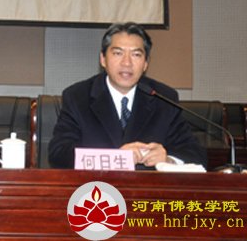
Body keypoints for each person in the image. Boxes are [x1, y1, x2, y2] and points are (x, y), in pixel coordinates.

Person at [48, 22, 207, 169]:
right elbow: (59, 154)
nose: (127, 63)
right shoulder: (77, 97)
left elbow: (196, 155)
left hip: (146, 189)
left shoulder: (163, 98)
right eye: (118, 53)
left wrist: (168, 160)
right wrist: (117, 158)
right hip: (97, 187)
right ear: (103, 59)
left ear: (145, 63)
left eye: (136, 55)